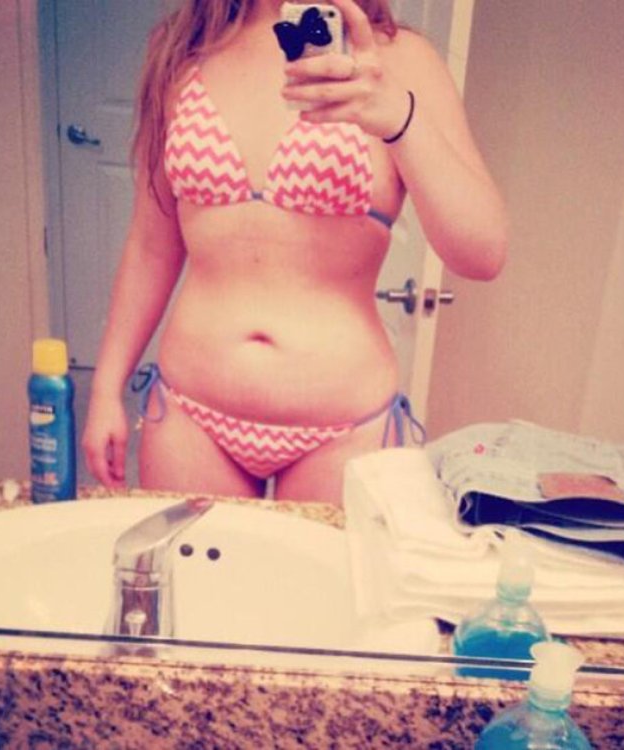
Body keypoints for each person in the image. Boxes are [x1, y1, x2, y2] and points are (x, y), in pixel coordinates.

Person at [82, 0, 508, 505]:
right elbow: (151, 245)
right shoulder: (181, 48)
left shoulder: (400, 59)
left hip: (344, 429)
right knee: (194, 562)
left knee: (318, 563)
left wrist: (401, 120)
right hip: (190, 415)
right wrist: (106, 388)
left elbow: (483, 254)